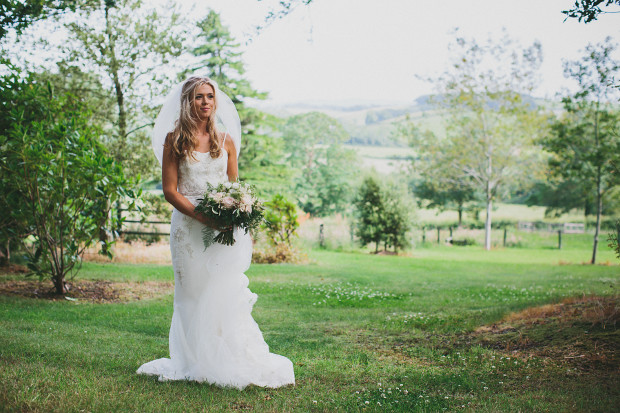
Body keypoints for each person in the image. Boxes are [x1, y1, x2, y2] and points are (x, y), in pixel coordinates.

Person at [136, 76, 295, 389]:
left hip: (222, 230)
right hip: (187, 229)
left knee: (222, 291)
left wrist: (233, 213)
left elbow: (233, 189)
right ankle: (192, 359)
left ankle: (226, 356)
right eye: (198, 97)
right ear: (187, 102)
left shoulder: (226, 141)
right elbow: (170, 191)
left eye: (210, 96)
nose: (206, 102)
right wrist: (204, 218)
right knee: (190, 294)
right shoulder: (174, 140)